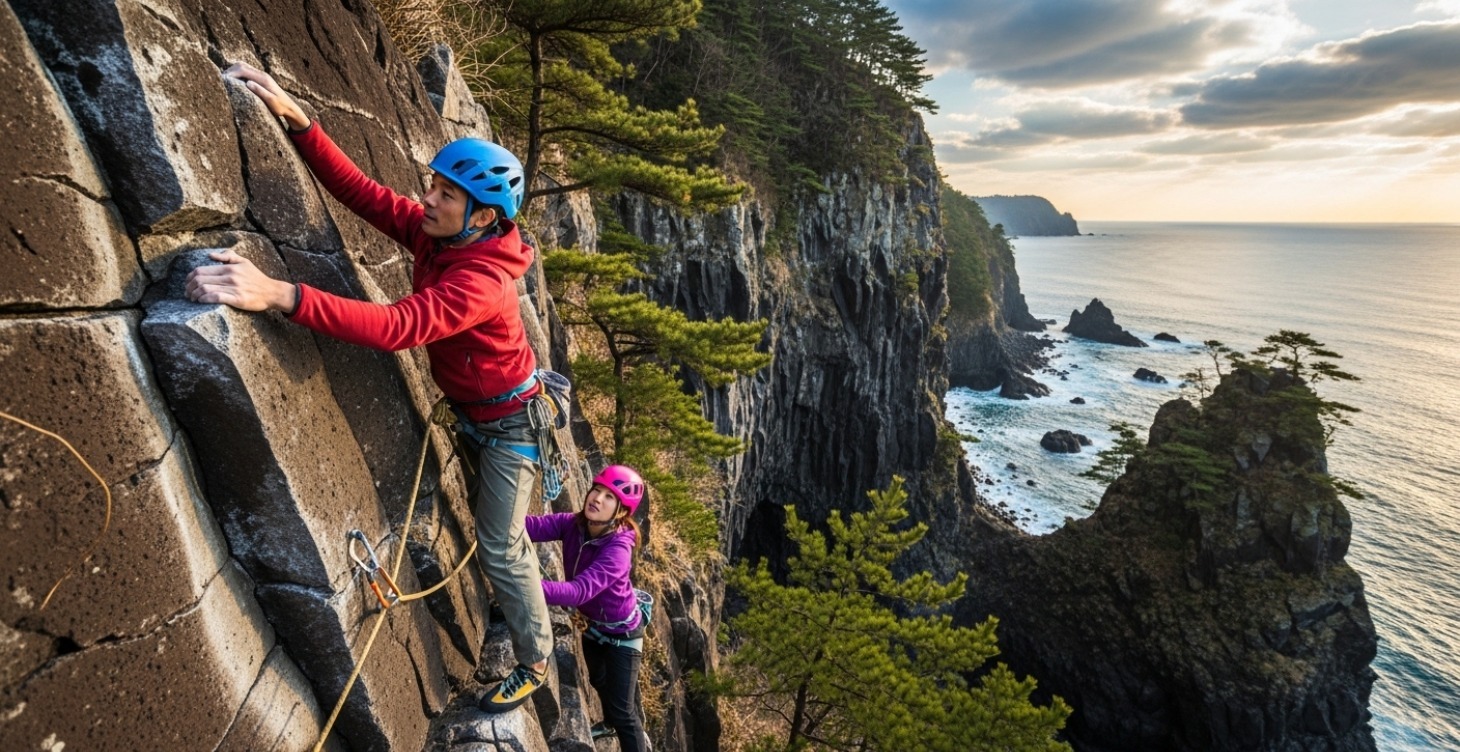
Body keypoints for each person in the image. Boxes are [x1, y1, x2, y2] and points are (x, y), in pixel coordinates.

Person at [189, 62, 553, 712]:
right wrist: (301, 124)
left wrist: (280, 294)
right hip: (479, 412)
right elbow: (363, 194)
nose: (429, 199)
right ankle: (512, 589)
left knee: (500, 542)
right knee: (496, 530)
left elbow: (397, 327)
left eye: (446, 194)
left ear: (482, 216)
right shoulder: (443, 234)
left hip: (511, 426)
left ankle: (534, 657)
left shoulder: (483, 281)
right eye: (435, 186)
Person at [525, 465, 651, 752]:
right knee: (597, 678)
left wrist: (529, 586)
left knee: (625, 714)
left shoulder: (618, 551)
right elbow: (532, 526)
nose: (597, 498)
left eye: (609, 497)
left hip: (623, 636)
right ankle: (607, 724)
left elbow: (579, 590)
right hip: (591, 625)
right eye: (597, 489)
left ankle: (618, 727)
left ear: (620, 511)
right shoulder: (574, 525)